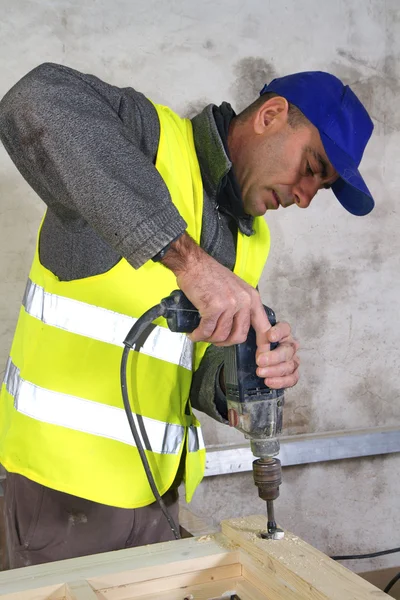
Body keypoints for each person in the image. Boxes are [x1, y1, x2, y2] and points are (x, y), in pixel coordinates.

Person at [0, 63, 374, 568]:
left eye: (320, 188)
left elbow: (188, 367)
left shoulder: (249, 237)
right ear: (270, 115)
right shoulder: (147, 140)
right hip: (60, 499)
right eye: (311, 167)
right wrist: (187, 260)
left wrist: (246, 377)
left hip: (159, 499)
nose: (305, 197)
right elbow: (33, 99)